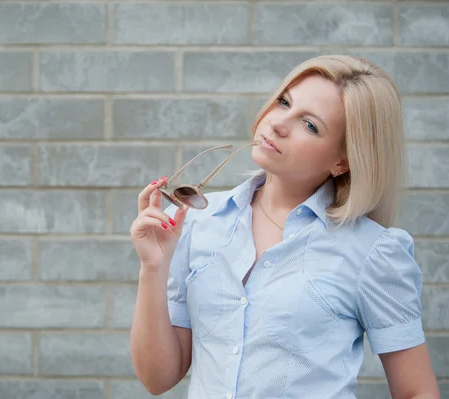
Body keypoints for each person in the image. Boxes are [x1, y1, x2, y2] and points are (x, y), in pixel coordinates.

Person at [129, 55, 441, 399]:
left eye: (310, 125)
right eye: (284, 102)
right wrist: (152, 267)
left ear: (343, 161)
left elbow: (417, 392)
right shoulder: (198, 221)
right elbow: (157, 380)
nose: (278, 123)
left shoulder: (374, 251)